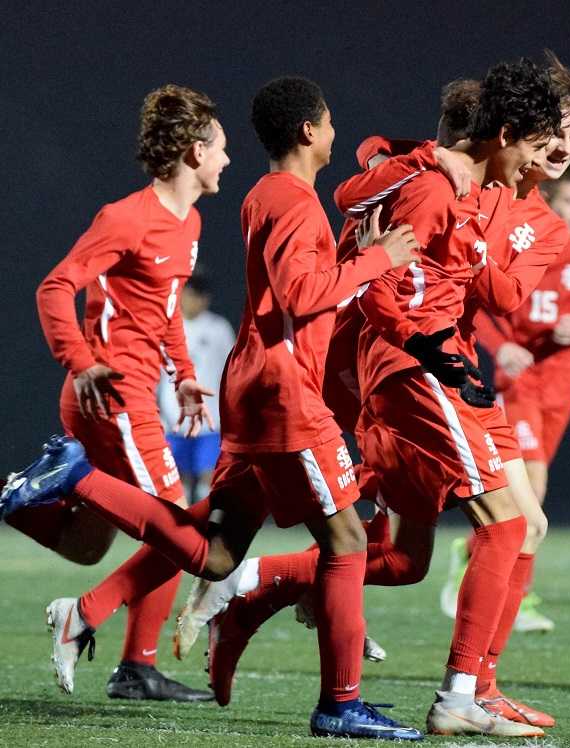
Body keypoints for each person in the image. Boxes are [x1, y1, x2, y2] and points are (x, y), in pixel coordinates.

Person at [1, 76, 424, 741]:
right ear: (310, 131)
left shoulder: (252, 200)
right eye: (331, 122)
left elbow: (274, 288)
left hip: (249, 385)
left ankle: (93, 602)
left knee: (209, 551)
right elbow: (295, 293)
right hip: (256, 394)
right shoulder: (278, 201)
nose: (338, 133)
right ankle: (337, 703)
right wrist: (374, 260)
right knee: (343, 541)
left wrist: (186, 370)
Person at [173, 59, 570, 734]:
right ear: (506, 133)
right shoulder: (439, 183)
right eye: (547, 139)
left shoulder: (523, 210)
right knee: (507, 524)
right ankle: (458, 693)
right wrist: (422, 330)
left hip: (440, 368)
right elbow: (378, 248)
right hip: (405, 368)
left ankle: (253, 591)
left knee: (401, 556)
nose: (557, 152)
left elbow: (463, 284)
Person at [1, 84, 226, 702]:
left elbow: (167, 309)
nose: (227, 162)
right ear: (192, 152)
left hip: (126, 394)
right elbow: (54, 287)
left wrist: (182, 373)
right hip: (111, 395)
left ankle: (20, 496)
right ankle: (120, 650)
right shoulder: (125, 217)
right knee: (184, 532)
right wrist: (79, 362)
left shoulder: (192, 221)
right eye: (220, 150)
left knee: (88, 543)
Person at [448, 161, 570, 634]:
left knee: (533, 496)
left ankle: (469, 554)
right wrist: (505, 350)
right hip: (520, 384)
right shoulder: (523, 239)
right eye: (569, 202)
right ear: (549, 199)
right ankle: (515, 598)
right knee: (532, 495)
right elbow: (474, 305)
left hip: (565, 385)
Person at [156, 268, 235, 505]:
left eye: (201, 295)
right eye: (191, 294)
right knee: (177, 482)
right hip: (173, 422)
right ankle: (179, 532)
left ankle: (203, 531)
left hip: (210, 422)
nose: (195, 300)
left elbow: (232, 370)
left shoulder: (218, 329)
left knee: (207, 480)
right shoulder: (166, 327)